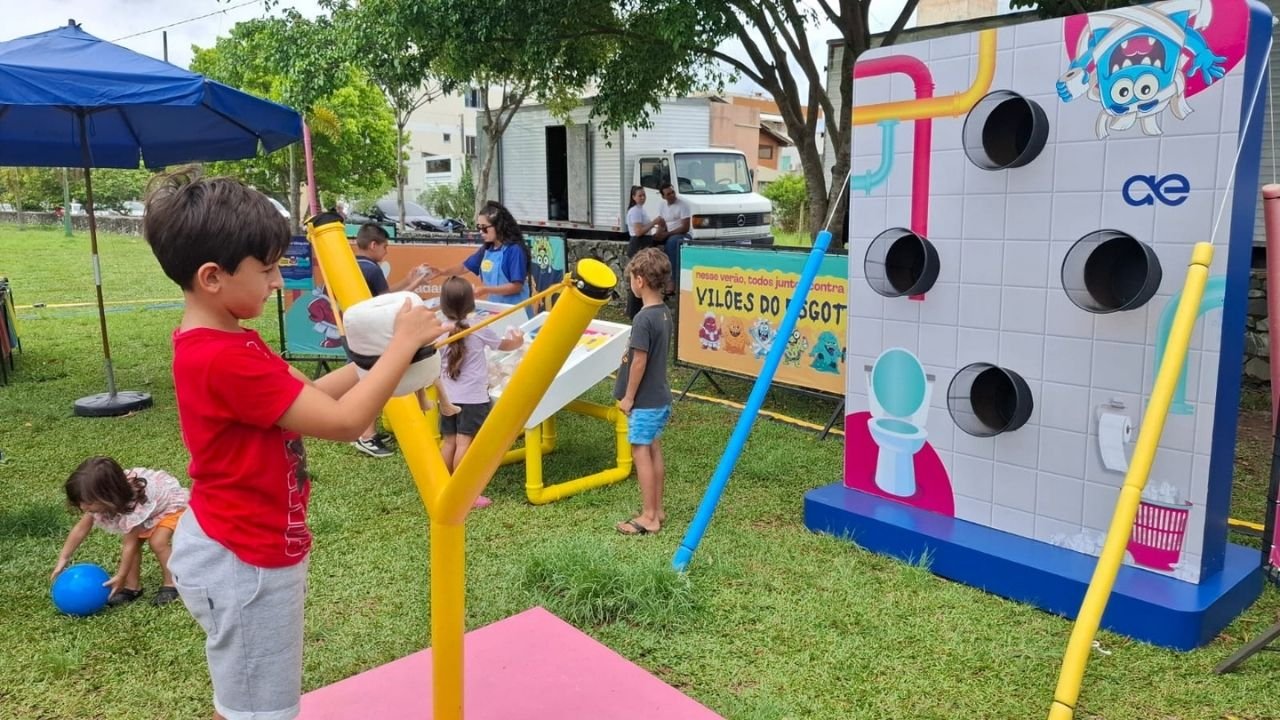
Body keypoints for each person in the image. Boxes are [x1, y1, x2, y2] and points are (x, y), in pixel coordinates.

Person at [142, 168, 445, 720]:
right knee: (260, 710)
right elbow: (346, 423)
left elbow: (312, 400)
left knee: (248, 701)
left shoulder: (228, 339)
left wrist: (380, 360)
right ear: (212, 276)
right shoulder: (223, 357)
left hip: (237, 545)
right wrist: (401, 346)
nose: (279, 280)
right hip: (243, 561)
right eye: (268, 269)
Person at [350, 223, 448, 458]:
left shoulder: (358, 266)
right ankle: (366, 435)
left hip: (361, 330)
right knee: (376, 381)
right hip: (373, 333)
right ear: (373, 245)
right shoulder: (371, 269)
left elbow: (386, 294)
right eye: (385, 247)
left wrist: (408, 280)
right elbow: (389, 302)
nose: (386, 253)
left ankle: (366, 431)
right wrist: (415, 286)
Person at [436, 276, 525, 508]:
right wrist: (517, 340)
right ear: (471, 302)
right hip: (473, 398)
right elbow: (505, 345)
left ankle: (442, 486)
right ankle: (464, 494)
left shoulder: (438, 330)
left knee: (449, 442)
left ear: (443, 303)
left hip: (447, 396)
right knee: (465, 443)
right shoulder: (478, 328)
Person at [52, 456, 189, 607]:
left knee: (158, 542)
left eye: (88, 503)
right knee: (135, 545)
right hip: (146, 512)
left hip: (168, 507)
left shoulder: (131, 505)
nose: (84, 507)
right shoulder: (98, 499)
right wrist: (63, 558)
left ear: (108, 496)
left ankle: (172, 584)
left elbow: (128, 545)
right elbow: (80, 529)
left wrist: (120, 575)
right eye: (80, 502)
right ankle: (132, 587)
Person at [613, 248, 674, 536]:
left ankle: (649, 516)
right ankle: (658, 508)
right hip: (660, 398)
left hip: (645, 403)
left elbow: (639, 362)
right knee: (653, 449)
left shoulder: (643, 319)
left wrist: (628, 398)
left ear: (639, 280)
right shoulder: (664, 313)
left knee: (640, 451)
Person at [426, 200, 532, 316]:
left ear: (499, 226)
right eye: (479, 227)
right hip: (497, 311)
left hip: (517, 312)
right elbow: (464, 267)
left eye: (485, 228)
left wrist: (486, 290)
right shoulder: (487, 250)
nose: (481, 232)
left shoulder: (514, 250)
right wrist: (442, 271)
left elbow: (516, 286)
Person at [625, 186, 663, 318]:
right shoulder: (635, 211)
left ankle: (639, 309)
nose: (642, 198)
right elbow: (638, 231)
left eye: (644, 195)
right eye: (640, 195)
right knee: (637, 278)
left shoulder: (641, 210)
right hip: (638, 244)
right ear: (633, 197)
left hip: (645, 242)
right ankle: (633, 311)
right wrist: (654, 222)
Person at [652, 183, 691, 295]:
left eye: (672, 192)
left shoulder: (683, 205)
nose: (672, 195)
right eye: (668, 194)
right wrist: (659, 233)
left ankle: (672, 281)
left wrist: (667, 234)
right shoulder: (662, 205)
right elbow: (662, 223)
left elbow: (685, 227)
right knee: (648, 242)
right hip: (667, 233)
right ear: (663, 196)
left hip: (682, 234)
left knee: (672, 242)